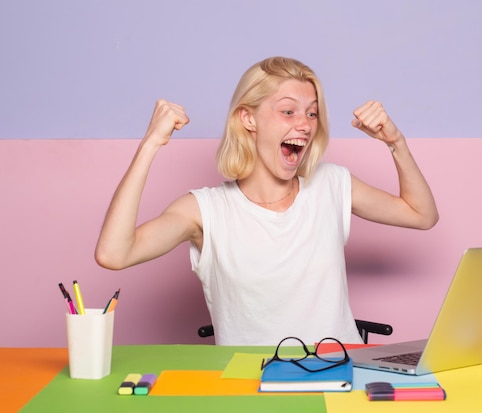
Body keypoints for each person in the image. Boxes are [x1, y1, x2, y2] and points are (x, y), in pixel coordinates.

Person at [95, 56, 438, 345]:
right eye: (288, 112)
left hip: (339, 378)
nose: (304, 125)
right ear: (248, 119)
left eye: (312, 113)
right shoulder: (205, 210)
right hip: (251, 387)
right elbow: (114, 254)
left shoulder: (332, 184)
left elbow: (422, 214)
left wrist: (396, 142)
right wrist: (150, 144)